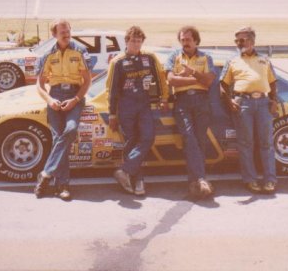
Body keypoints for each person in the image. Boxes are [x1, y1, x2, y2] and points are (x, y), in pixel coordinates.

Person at [106, 26, 169, 196]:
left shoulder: (149, 58)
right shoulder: (117, 61)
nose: (136, 43)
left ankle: (125, 171)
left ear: (142, 42)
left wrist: (164, 98)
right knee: (132, 142)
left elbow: (161, 79)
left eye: (139, 40)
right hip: (125, 106)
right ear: (126, 41)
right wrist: (112, 114)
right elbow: (112, 91)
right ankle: (138, 180)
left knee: (147, 137)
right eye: (133, 40)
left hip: (144, 104)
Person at [34, 19, 92, 200]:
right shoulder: (47, 54)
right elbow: (40, 84)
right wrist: (50, 99)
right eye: (62, 32)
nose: (66, 35)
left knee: (71, 129)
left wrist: (75, 100)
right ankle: (62, 185)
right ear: (54, 35)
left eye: (68, 31)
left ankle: (45, 174)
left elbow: (87, 80)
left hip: (75, 94)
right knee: (58, 137)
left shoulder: (80, 51)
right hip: (55, 95)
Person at [220, 26, 278, 194]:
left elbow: (273, 82)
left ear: (252, 41)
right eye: (236, 40)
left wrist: (274, 100)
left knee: (266, 143)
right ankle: (250, 180)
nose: (239, 43)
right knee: (246, 144)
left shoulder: (265, 60)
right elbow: (222, 84)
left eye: (242, 40)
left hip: (263, 103)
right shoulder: (232, 61)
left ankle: (270, 180)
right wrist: (229, 100)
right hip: (243, 103)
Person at [165, 26, 216, 199]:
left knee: (199, 141)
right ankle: (201, 179)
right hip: (182, 102)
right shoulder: (174, 56)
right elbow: (171, 80)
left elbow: (209, 82)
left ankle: (195, 183)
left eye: (188, 39)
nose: (185, 42)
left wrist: (191, 72)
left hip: (202, 101)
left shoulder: (206, 57)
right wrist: (197, 79)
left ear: (196, 41)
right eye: (182, 39)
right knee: (189, 137)